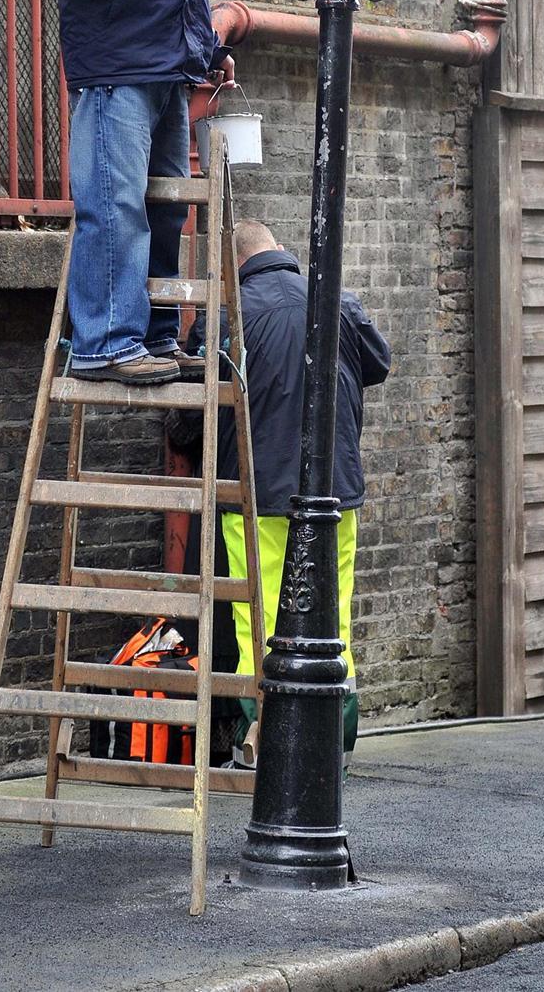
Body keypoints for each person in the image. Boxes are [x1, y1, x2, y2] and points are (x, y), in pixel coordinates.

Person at [39, 0, 234, 386]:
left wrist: (207, 53)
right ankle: (103, 345)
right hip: (117, 75)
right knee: (113, 205)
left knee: (163, 211)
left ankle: (151, 337)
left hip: (168, 76)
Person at [187, 219, 391, 760]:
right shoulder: (336, 303)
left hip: (256, 495)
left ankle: (266, 736)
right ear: (279, 250)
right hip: (334, 490)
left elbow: (189, 421)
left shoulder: (223, 320)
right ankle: (331, 739)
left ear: (233, 268)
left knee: (259, 619)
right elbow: (379, 364)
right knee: (333, 612)